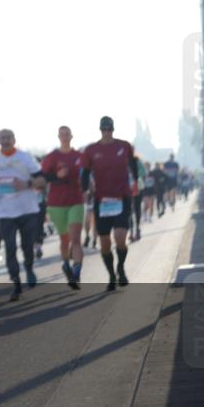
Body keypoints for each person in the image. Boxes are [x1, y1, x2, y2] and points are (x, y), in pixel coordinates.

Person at [81, 117, 138, 291]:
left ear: (113, 129)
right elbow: (85, 172)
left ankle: (121, 267)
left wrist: (135, 181)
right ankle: (111, 275)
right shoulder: (91, 150)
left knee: (120, 238)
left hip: (122, 198)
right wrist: (84, 191)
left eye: (110, 129)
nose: (107, 132)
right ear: (100, 130)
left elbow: (133, 164)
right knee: (105, 243)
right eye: (104, 129)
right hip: (102, 200)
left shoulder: (124, 146)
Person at [0, 130, 46, 302]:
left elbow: (42, 180)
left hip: (27, 209)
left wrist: (27, 184)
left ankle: (29, 268)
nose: (5, 141)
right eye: (2, 138)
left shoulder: (25, 157)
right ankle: (16, 283)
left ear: (14, 140)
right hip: (5, 211)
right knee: (9, 247)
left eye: (8, 137)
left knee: (27, 245)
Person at [40, 126, 86, 289]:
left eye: (67, 134)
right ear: (58, 137)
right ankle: (66, 263)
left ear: (72, 136)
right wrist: (56, 176)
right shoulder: (52, 157)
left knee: (75, 239)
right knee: (64, 239)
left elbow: (87, 175)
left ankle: (77, 272)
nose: (65, 137)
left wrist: (88, 187)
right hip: (57, 203)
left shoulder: (79, 156)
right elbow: (43, 177)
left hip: (76, 200)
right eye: (62, 135)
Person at [130, 155, 148, 241]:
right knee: (136, 209)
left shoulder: (122, 160)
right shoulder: (137, 161)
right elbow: (144, 173)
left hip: (131, 188)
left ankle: (133, 231)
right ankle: (136, 230)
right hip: (136, 187)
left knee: (131, 210)